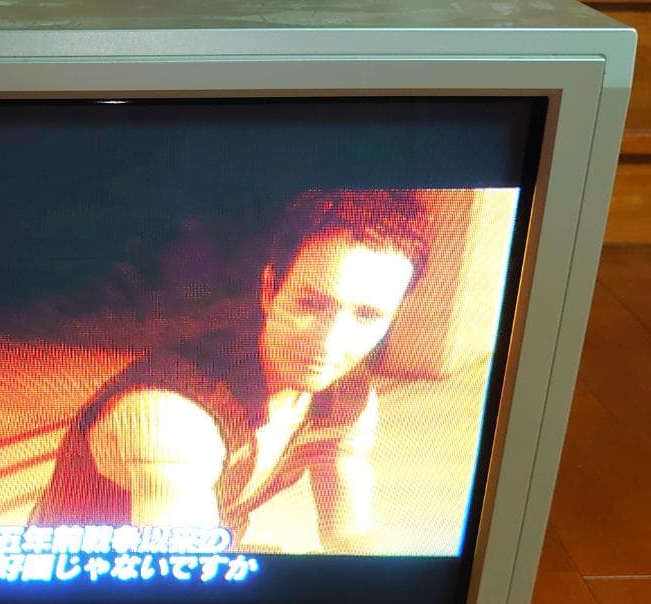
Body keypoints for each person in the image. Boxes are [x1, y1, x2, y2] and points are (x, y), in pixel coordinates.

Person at [30, 190, 429, 553]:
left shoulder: (347, 396)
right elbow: (178, 583)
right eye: (311, 304)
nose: (329, 342)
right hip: (86, 593)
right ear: (270, 289)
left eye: (368, 315)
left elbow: (351, 535)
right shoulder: (170, 417)